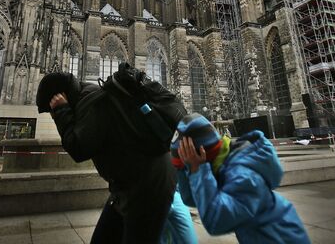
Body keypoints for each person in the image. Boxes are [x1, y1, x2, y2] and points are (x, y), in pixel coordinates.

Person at [36, 71, 184, 244]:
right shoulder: (90, 96)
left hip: (149, 185)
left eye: (51, 111)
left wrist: (61, 111)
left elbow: (78, 149)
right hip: (128, 185)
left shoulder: (91, 103)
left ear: (61, 97)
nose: (52, 116)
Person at [171, 113, 310, 244]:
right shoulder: (221, 166)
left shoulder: (243, 174)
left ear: (204, 155)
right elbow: (191, 199)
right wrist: (185, 168)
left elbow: (217, 221)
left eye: (184, 166)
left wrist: (198, 170)